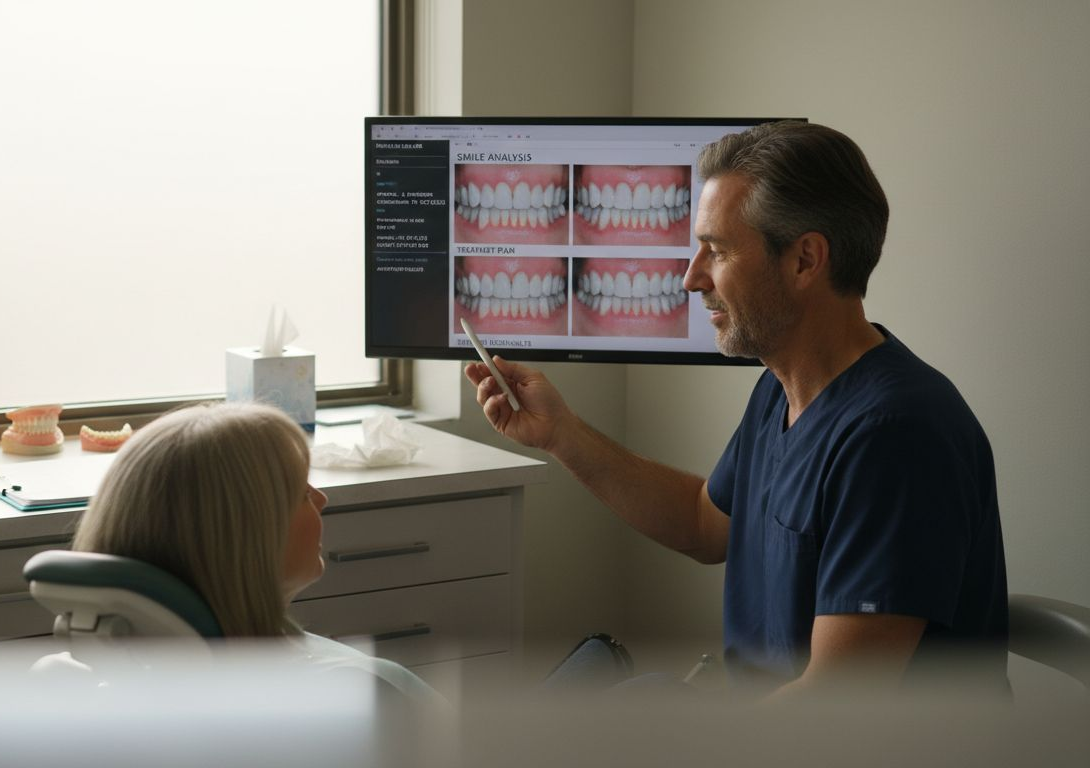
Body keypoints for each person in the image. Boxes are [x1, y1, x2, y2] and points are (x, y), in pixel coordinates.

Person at [466, 121, 1007, 698]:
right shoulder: (783, 386)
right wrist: (562, 435)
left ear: (804, 260)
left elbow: (838, 708)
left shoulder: (896, 436)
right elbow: (706, 525)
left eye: (718, 251)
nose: (691, 277)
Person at [70, 401, 442, 704]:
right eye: (300, 494)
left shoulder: (115, 694)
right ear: (248, 538)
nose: (322, 499)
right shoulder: (359, 694)